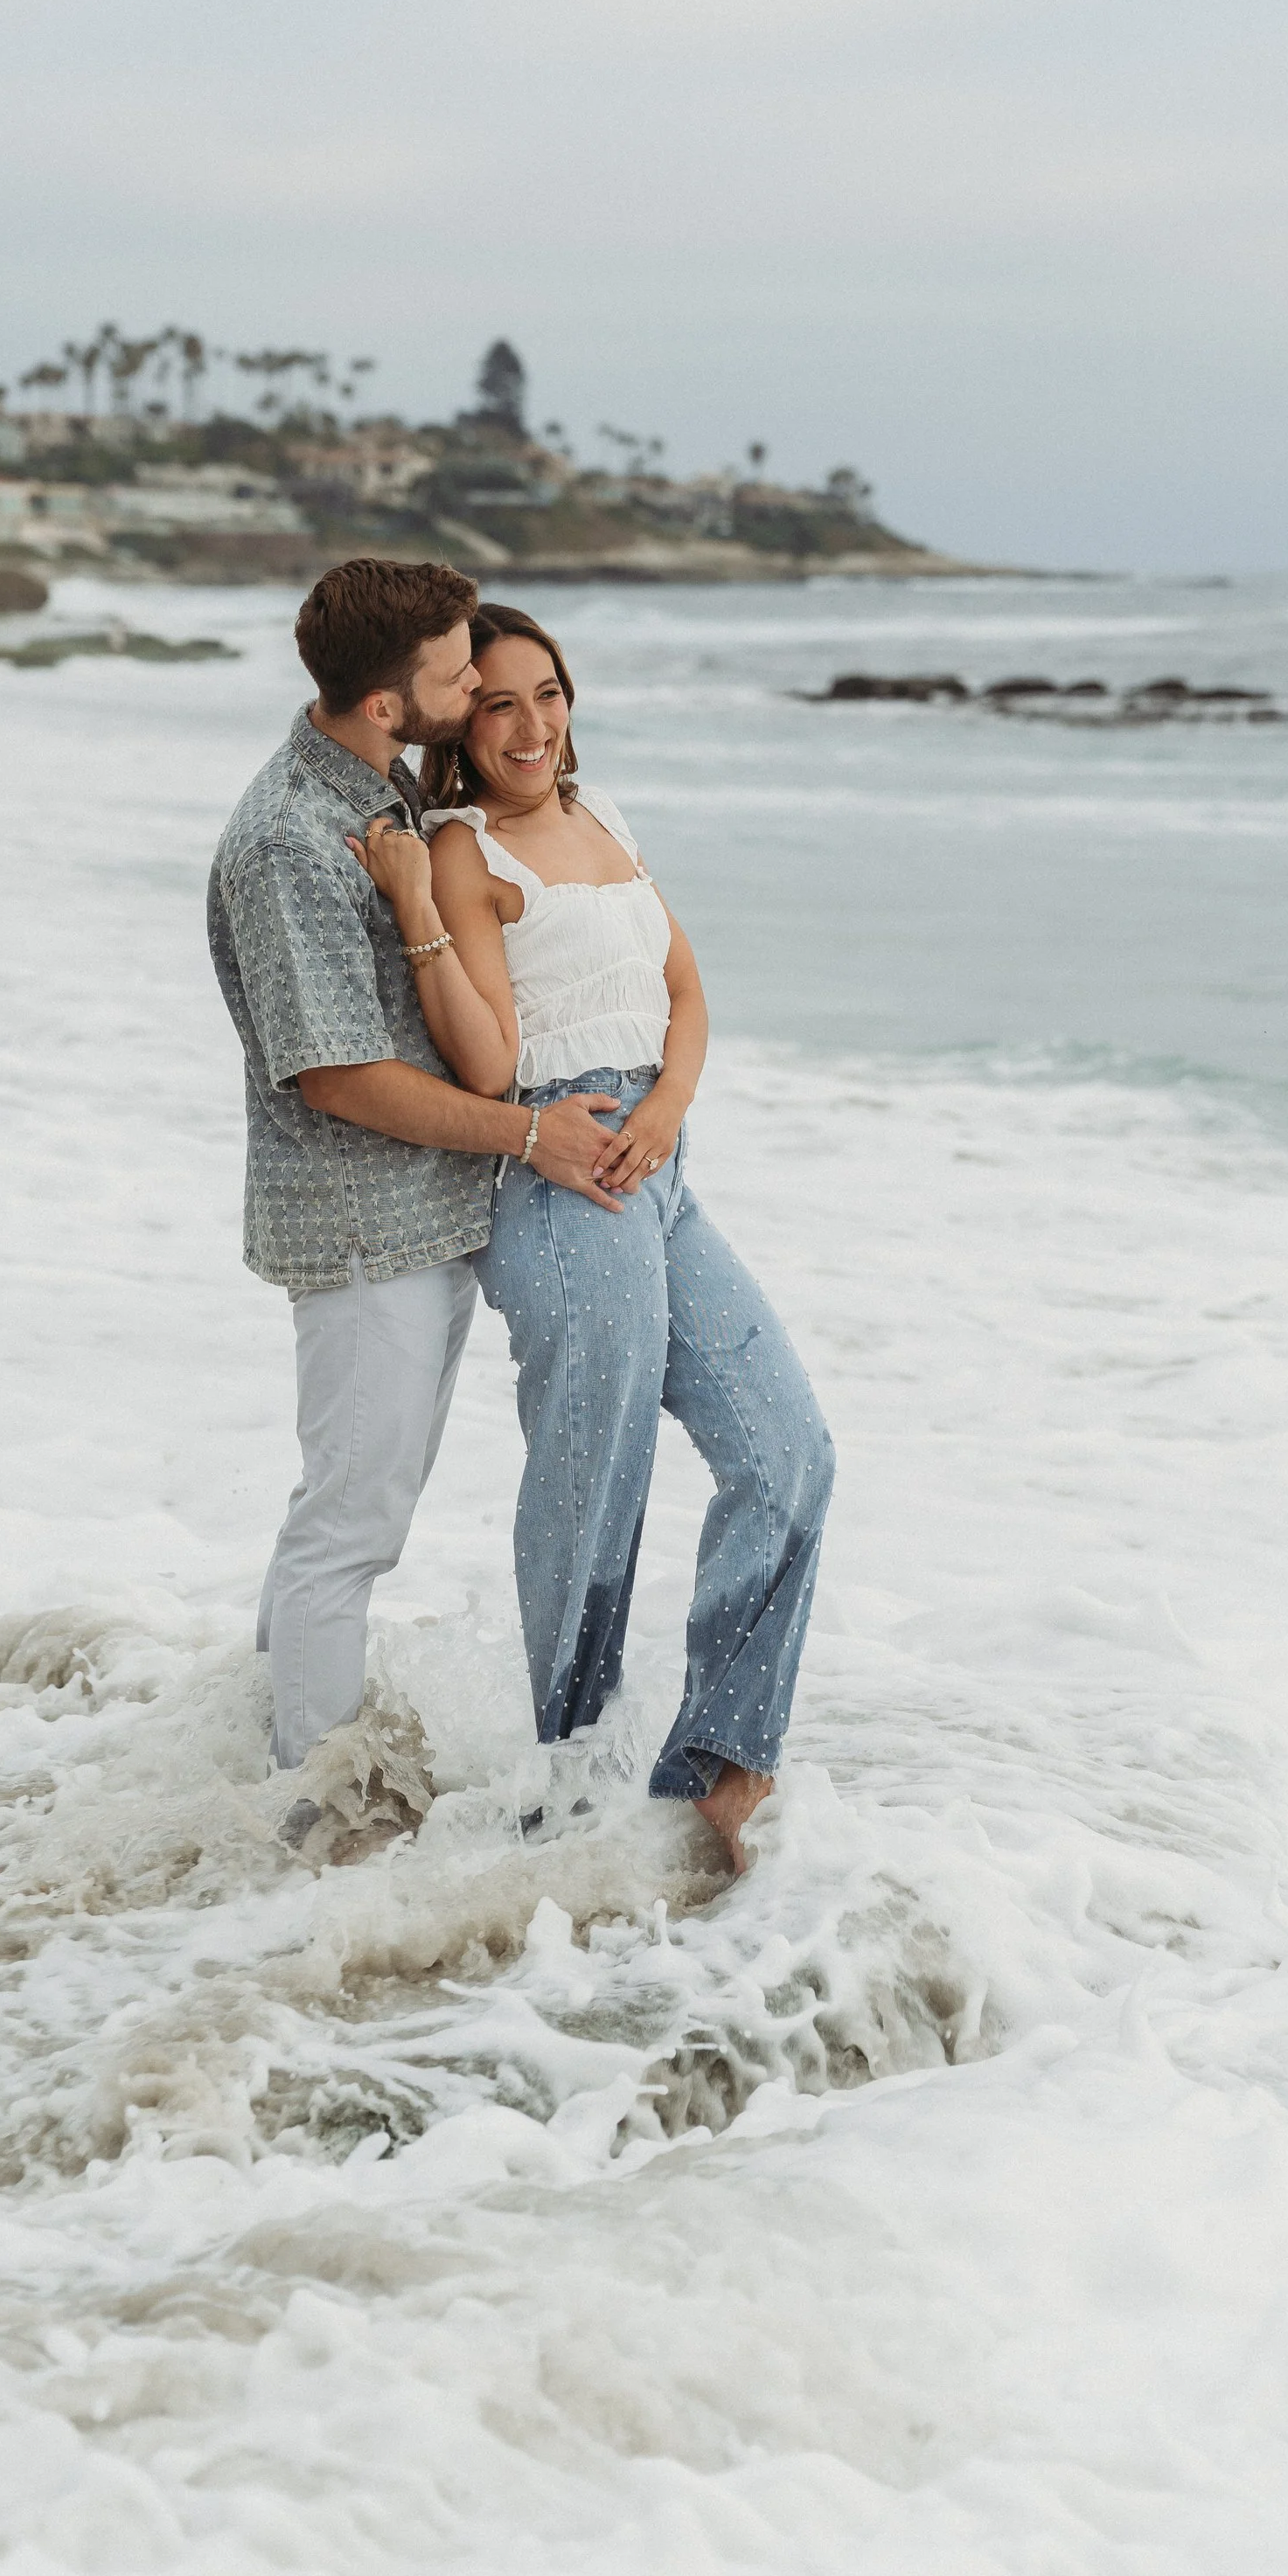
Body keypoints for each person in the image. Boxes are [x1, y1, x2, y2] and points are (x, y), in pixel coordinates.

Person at [354, 601, 833, 1869]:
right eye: (498, 704)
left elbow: (685, 986)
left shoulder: (606, 814)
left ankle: (716, 1765)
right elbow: (490, 1060)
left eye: (549, 694)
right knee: (595, 1473)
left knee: (788, 1452)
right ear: (462, 727)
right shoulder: (461, 851)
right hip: (562, 1176)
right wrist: (418, 905)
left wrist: (669, 1106)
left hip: (659, 1160)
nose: (531, 726)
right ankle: (569, 1781)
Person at [206, 560, 626, 1811]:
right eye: (456, 674)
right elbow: (339, 1077)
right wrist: (528, 1134)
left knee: (342, 1515)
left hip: (419, 1219)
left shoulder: (382, 785)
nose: (476, 680)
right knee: (351, 1532)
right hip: (363, 1233)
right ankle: (314, 1815)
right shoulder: (291, 840)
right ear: (389, 703)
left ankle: (267, 1769)